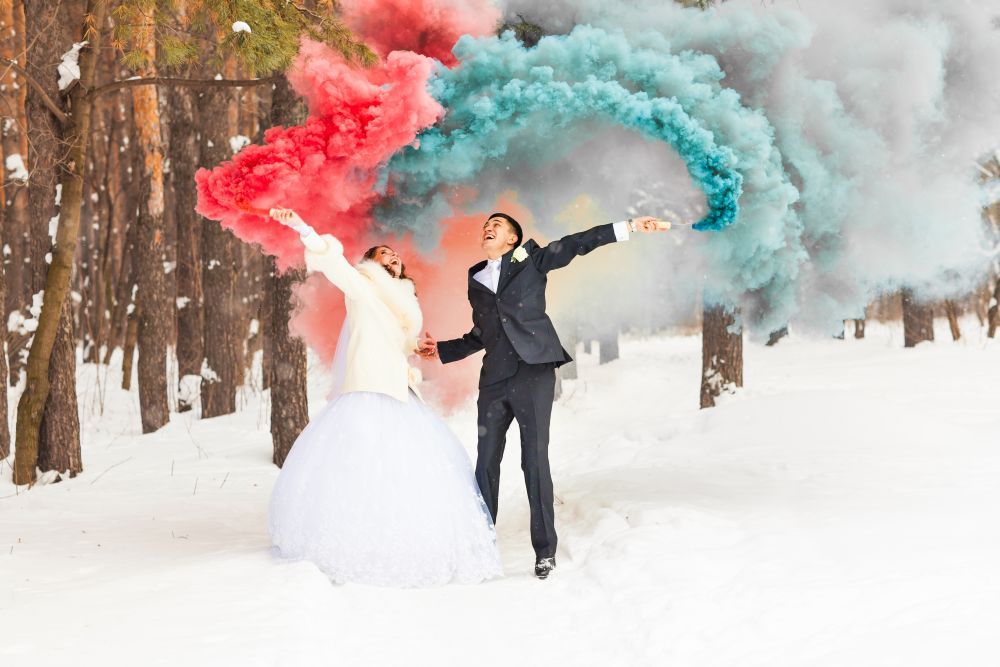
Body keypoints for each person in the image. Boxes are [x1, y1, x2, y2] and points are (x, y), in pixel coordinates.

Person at [418, 212, 669, 579]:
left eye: (498, 225)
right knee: (486, 461)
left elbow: (579, 242)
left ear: (513, 239)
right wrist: (440, 349)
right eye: (486, 225)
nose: (488, 228)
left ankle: (545, 550)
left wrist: (628, 227)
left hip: (533, 370)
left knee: (533, 460)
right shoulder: (475, 277)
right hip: (494, 379)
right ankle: (481, 546)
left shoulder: (532, 259)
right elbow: (482, 333)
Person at [266, 208, 502, 587]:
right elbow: (333, 263)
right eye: (382, 254)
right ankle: (355, 544)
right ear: (369, 264)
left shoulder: (406, 303)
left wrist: (419, 348)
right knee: (360, 463)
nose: (392, 256)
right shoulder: (362, 286)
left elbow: (402, 343)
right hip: (367, 387)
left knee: (407, 467)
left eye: (395, 254)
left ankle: (410, 540)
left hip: (400, 389)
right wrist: (303, 226)